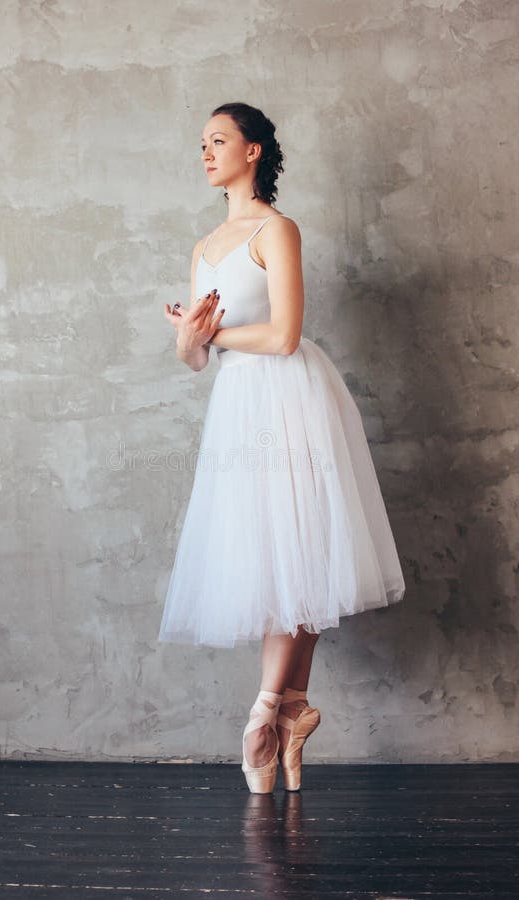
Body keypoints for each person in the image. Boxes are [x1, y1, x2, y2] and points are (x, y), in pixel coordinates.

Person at [158, 102, 405, 793]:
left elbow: (285, 334)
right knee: (279, 552)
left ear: (255, 150)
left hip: (290, 397)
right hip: (237, 404)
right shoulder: (205, 246)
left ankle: (266, 710)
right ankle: (291, 714)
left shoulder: (276, 230)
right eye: (201, 142)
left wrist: (209, 334)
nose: (206, 152)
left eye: (219, 140)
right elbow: (196, 360)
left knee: (298, 547)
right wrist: (189, 343)